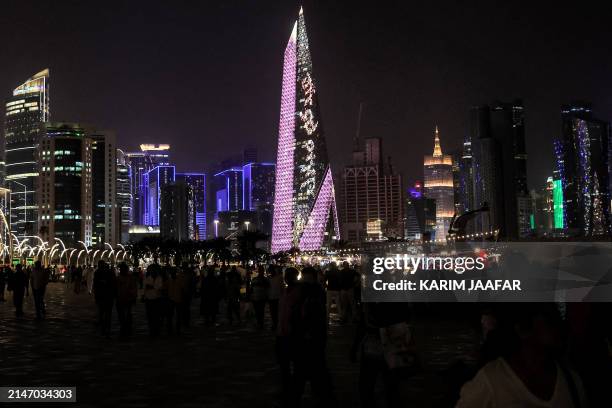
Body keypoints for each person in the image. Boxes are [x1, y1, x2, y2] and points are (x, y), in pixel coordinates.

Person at [456, 303, 588, 408]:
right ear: (523, 329)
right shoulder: (491, 380)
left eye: (556, 317)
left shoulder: (571, 381)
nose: (558, 324)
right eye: (549, 319)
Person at [352, 302, 412, 408]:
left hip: (374, 345)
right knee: (392, 387)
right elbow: (406, 317)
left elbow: (363, 322)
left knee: (367, 387)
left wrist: (354, 347)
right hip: (392, 344)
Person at [93, 261, 116, 337]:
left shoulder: (98, 272)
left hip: (104, 295)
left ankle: (104, 327)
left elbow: (95, 284)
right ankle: (106, 328)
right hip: (106, 296)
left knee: (103, 312)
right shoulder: (109, 272)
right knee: (106, 313)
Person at [116, 262, 137, 337]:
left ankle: (127, 327)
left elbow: (134, 289)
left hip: (128, 299)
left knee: (128, 314)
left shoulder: (131, 278)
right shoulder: (118, 278)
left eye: (123, 269)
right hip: (120, 299)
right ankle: (123, 326)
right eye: (121, 269)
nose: (122, 270)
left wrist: (133, 296)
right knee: (121, 315)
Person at [144, 263, 163, 336]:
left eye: (153, 269)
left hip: (157, 299)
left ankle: (156, 329)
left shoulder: (159, 278)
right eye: (150, 269)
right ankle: (151, 329)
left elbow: (159, 288)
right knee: (149, 316)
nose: (152, 271)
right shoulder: (147, 277)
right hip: (148, 299)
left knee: (157, 316)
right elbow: (145, 287)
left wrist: (151, 286)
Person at [167, 267, 185, 334]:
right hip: (171, 299)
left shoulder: (178, 279)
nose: (172, 273)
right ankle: (170, 328)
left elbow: (182, 289)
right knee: (170, 315)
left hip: (178, 299)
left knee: (178, 315)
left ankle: (177, 328)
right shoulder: (169, 280)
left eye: (173, 272)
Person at [251, 265, 270, 330]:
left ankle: (260, 323)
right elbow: (251, 288)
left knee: (260, 311)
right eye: (260, 270)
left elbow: (268, 288)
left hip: (261, 297)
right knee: (258, 311)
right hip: (257, 297)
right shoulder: (255, 279)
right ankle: (259, 323)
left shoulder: (265, 279)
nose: (260, 271)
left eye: (261, 270)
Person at [268, 265, 282, 331]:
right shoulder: (269, 278)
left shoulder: (279, 277)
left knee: (277, 312)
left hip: (277, 297)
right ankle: (275, 324)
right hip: (271, 297)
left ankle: (276, 324)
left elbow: (281, 287)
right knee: (273, 312)